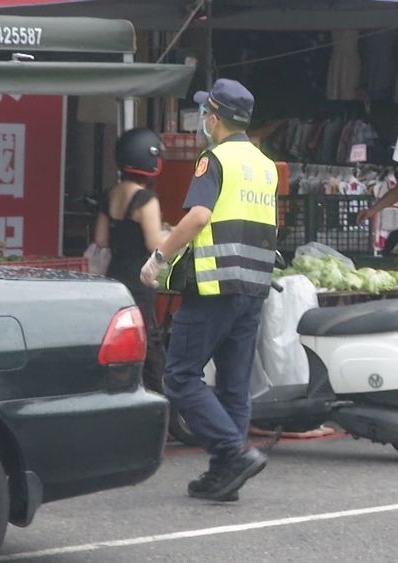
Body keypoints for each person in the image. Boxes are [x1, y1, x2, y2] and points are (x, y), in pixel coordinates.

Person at [139, 78, 277, 502]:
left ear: (214, 118)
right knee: (234, 386)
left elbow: (199, 217)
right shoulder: (265, 164)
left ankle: (232, 452)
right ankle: (225, 476)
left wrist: (159, 257)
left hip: (213, 283)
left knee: (180, 377)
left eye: (205, 112)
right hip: (253, 287)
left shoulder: (213, 159)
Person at [94, 128, 167, 394]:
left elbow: (101, 239)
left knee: (117, 338)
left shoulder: (110, 194)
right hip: (139, 279)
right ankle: (158, 394)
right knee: (147, 337)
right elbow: (153, 243)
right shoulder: (146, 200)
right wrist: (172, 236)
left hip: (114, 276)